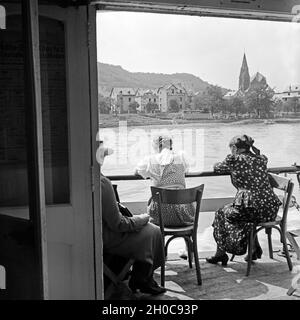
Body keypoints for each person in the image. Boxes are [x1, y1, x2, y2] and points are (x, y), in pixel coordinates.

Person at [98, 140, 166, 295]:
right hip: (108, 239)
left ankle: (142, 276)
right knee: (152, 231)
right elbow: (119, 224)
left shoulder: (87, 180)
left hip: (99, 233)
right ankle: (143, 278)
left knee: (151, 230)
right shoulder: (103, 183)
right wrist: (142, 218)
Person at [206, 134, 282, 266]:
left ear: (235, 148)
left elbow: (217, 168)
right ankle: (253, 249)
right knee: (244, 210)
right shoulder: (261, 159)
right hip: (270, 209)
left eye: (231, 148)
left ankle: (221, 254)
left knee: (220, 212)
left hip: (252, 210)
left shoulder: (234, 159)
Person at [135, 134, 195, 258]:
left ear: (157, 146)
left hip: (160, 217)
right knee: (183, 205)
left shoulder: (151, 160)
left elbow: (138, 171)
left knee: (153, 212)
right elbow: (186, 170)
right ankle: (189, 249)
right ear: (171, 145)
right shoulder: (181, 158)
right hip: (184, 215)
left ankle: (160, 253)